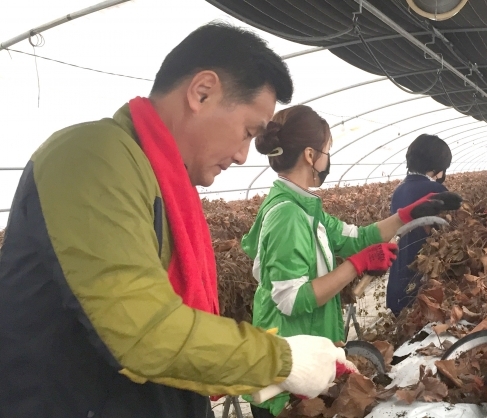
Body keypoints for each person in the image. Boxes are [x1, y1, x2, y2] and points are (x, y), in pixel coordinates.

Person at [0, 23, 355, 418]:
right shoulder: (91, 158)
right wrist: (280, 360)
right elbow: (144, 330)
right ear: (202, 92)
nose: (242, 155)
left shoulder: (165, 183)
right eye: (247, 132)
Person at [241, 113, 462, 417]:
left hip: (308, 363)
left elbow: (358, 237)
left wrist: (407, 215)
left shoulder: (306, 208)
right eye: (327, 150)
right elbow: (292, 299)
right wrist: (357, 265)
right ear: (310, 155)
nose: (327, 159)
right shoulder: (287, 216)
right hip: (287, 375)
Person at [386, 134, 452, 316]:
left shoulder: (400, 190)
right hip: (421, 287)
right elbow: (449, 237)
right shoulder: (437, 191)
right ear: (438, 168)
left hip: (398, 283)